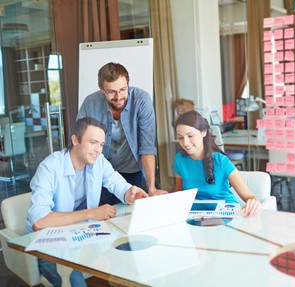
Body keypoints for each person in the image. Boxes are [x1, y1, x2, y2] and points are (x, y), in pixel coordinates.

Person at [26, 117, 149, 287]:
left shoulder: (99, 162)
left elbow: (118, 184)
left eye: (101, 144)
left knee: (129, 254)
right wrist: (91, 213)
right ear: (75, 140)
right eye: (93, 142)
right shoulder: (49, 168)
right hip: (49, 244)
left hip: (82, 234)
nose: (98, 150)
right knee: (75, 282)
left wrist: (130, 194)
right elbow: (39, 222)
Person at [77, 62, 167, 205]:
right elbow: (81, 144)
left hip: (134, 171)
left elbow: (147, 147)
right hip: (104, 174)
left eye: (123, 89)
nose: (118, 97)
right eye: (112, 92)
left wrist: (152, 188)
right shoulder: (90, 103)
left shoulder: (142, 100)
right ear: (101, 89)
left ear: (128, 84)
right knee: (107, 216)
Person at [174, 111, 260, 216]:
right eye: (180, 137)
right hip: (197, 216)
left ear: (203, 132)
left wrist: (253, 202)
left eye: (190, 136)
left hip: (225, 215)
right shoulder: (180, 160)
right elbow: (179, 194)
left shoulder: (221, 161)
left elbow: (250, 197)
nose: (185, 143)